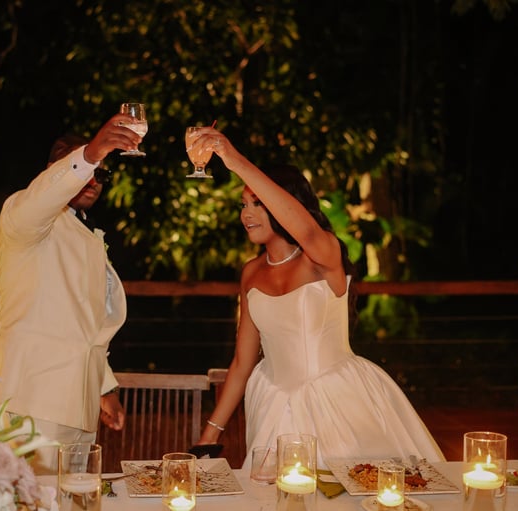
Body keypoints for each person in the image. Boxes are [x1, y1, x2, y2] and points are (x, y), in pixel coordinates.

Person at [191, 127, 445, 468]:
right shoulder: (250, 273)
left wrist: (235, 161)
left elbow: (307, 230)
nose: (246, 214)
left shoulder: (322, 254)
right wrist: (210, 435)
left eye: (258, 203)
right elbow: (241, 363)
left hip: (337, 403)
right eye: (243, 204)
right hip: (273, 406)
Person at [0, 114, 142, 474]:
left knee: (71, 499)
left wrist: (104, 387)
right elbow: (42, 197)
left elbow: (83, 324)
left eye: (101, 173)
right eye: (87, 169)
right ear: (52, 172)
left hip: (78, 403)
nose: (93, 179)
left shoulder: (85, 234)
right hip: (31, 400)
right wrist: (90, 154)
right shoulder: (24, 218)